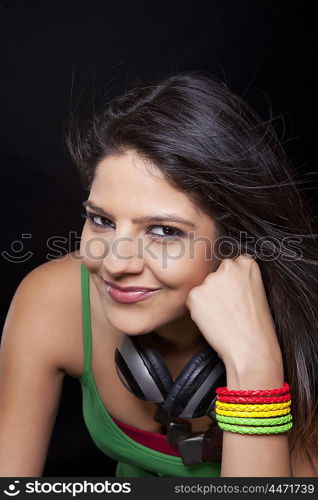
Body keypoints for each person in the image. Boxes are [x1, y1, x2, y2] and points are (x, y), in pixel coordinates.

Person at [0, 71, 317, 477]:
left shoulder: (306, 323)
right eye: (101, 220)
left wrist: (254, 367)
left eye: (164, 232)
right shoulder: (54, 299)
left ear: (236, 242)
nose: (115, 262)